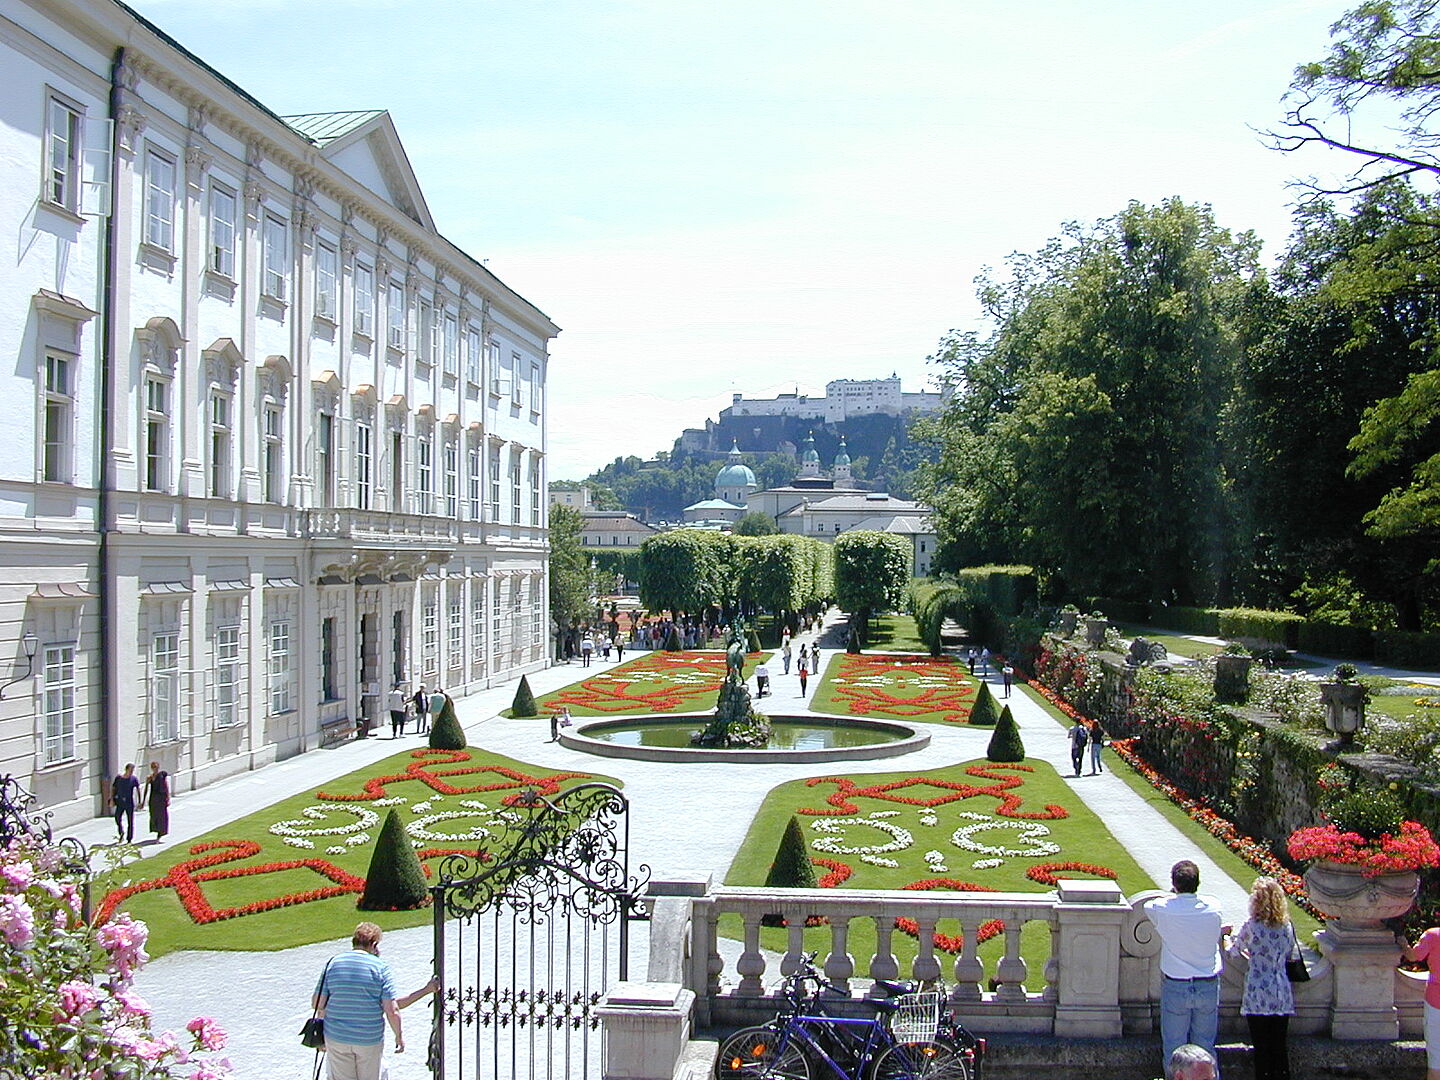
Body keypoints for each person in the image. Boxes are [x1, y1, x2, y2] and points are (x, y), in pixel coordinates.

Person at [311, 922, 437, 1080]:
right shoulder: (380, 968)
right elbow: (392, 1009)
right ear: (374, 944)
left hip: (336, 1037)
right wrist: (398, 1035)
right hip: (368, 1038)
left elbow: (317, 1003)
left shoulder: (332, 964)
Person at [1145, 860, 1227, 1075]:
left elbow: (1148, 905)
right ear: (1198, 883)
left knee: (1174, 1051)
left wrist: (1172, 894)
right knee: (1206, 1051)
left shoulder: (1164, 908)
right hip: (1207, 984)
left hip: (1177, 985)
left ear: (1174, 884)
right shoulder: (1213, 905)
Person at [1227, 877, 1295, 1080]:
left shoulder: (1252, 926)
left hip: (1258, 990)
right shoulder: (1286, 927)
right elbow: (1290, 954)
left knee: (1262, 1048)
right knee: (1279, 1047)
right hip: (1280, 990)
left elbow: (1233, 952)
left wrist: (1227, 939)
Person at [1400, 920, 1440, 1080]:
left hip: (1436, 1001)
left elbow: (1413, 956)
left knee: (1436, 1058)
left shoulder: (1433, 935)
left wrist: (1403, 943)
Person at [109, 763, 140, 843]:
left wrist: (140, 801)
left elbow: (138, 789)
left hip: (129, 801)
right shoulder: (119, 778)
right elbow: (113, 788)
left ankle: (129, 839)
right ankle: (121, 832)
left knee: (130, 820)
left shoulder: (133, 779)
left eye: (132, 771)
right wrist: (112, 799)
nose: (131, 772)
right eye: (130, 770)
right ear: (126, 770)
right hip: (120, 801)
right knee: (117, 817)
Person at [142, 761, 170, 840]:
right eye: (154, 768)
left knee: (162, 815)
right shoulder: (150, 777)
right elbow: (146, 789)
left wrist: (168, 797)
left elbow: (166, 786)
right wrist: (143, 801)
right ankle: (156, 829)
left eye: (156, 768)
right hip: (153, 798)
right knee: (154, 815)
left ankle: (160, 833)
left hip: (161, 798)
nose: (155, 769)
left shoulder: (161, 775)